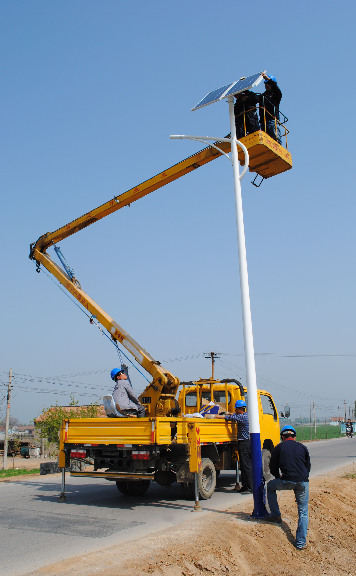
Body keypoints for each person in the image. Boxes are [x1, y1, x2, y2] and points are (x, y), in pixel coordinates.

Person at [267, 425, 311, 550]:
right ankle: (300, 543)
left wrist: (277, 477)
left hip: (286, 480)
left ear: (282, 437)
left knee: (270, 486)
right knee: (303, 512)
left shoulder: (279, 447)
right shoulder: (303, 447)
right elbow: (308, 466)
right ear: (294, 437)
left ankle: (275, 515)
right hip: (303, 482)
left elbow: (273, 467)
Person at [216, 399, 252, 493]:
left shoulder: (242, 418)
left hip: (244, 443)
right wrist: (230, 413)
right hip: (246, 443)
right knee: (244, 466)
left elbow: (230, 418)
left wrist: (216, 416)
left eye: (236, 409)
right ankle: (245, 486)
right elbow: (234, 415)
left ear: (240, 409)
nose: (235, 410)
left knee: (246, 466)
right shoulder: (246, 415)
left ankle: (249, 487)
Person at [259, 72, 282, 143]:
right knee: (265, 141)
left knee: (276, 139)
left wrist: (268, 79)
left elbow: (276, 89)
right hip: (263, 122)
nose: (266, 85)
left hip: (272, 120)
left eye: (268, 83)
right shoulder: (263, 95)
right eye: (265, 84)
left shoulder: (276, 95)